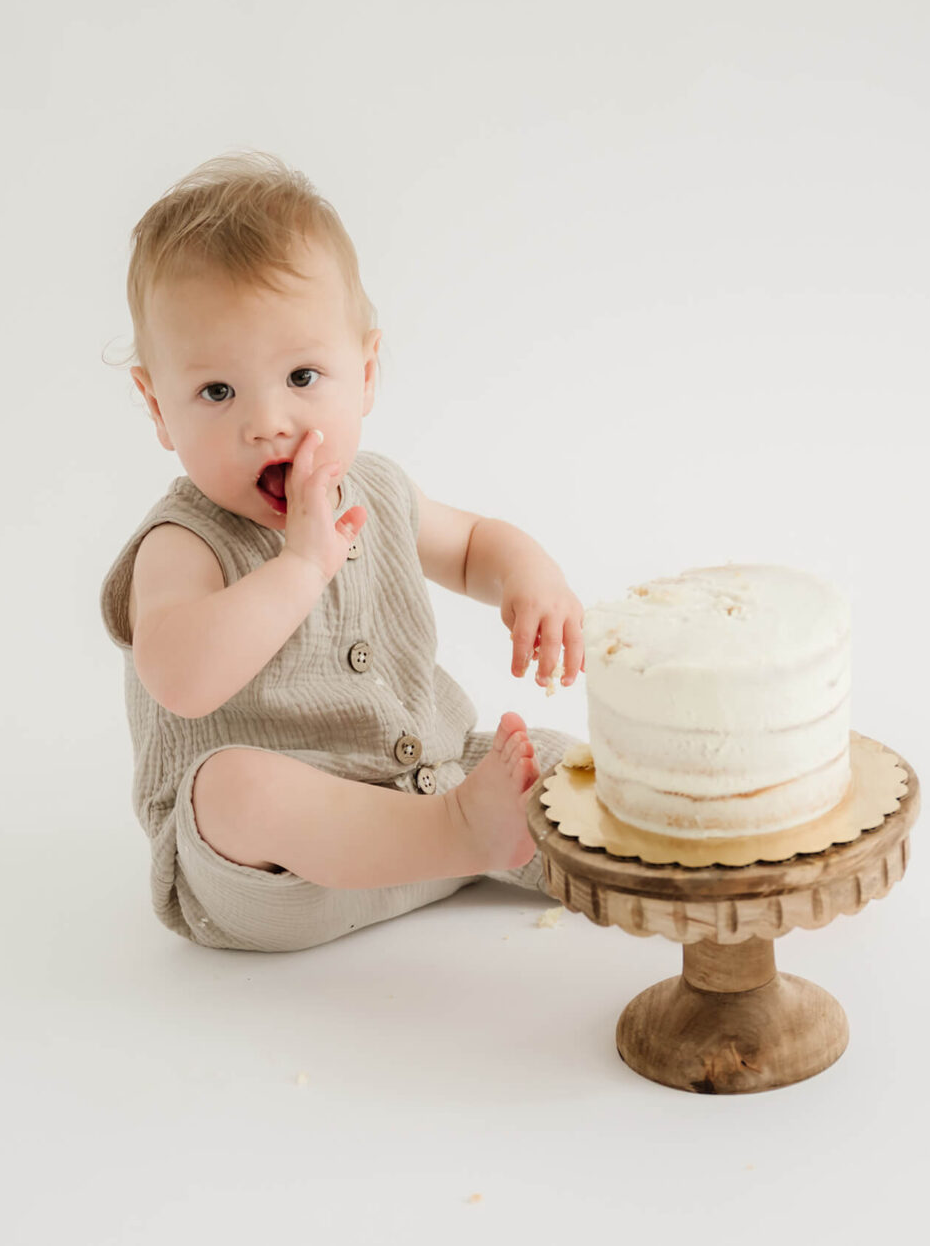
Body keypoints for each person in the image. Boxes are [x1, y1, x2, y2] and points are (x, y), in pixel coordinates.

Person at [98, 151, 586, 952]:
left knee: (567, 769)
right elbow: (180, 678)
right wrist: (298, 567)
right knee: (231, 790)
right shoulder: (182, 542)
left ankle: (671, 860)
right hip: (276, 877)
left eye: (302, 376)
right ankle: (461, 833)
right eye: (217, 391)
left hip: (422, 781)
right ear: (158, 408)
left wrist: (532, 576)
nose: (267, 422)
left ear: (364, 374)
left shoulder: (377, 490)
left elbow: (471, 546)